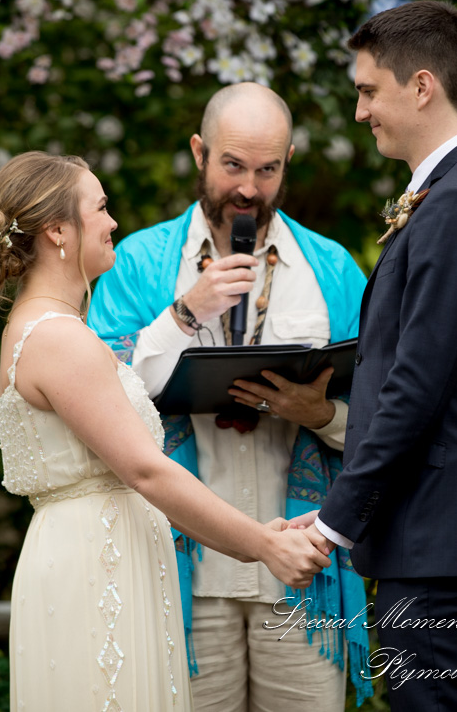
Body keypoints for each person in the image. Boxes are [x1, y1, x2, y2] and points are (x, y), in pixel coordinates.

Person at [0, 151, 331, 712]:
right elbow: (145, 470)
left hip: (95, 557)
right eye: (100, 208)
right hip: (95, 571)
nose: (112, 223)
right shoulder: (60, 339)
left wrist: (258, 531)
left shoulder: (41, 328)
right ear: (58, 230)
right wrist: (263, 546)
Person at [88, 83, 374, 711]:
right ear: (199, 152)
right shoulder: (136, 263)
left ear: (288, 161)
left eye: (267, 170)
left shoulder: (332, 270)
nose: (249, 188)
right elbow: (96, 399)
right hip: (181, 571)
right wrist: (185, 312)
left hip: (304, 569)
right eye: (233, 166)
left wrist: (321, 415)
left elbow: (386, 422)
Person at [302, 0, 457, 710]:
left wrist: (334, 519)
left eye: (367, 90)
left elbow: (417, 385)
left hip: (440, 525)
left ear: (420, 86)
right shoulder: (449, 195)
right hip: (428, 523)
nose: (360, 111)